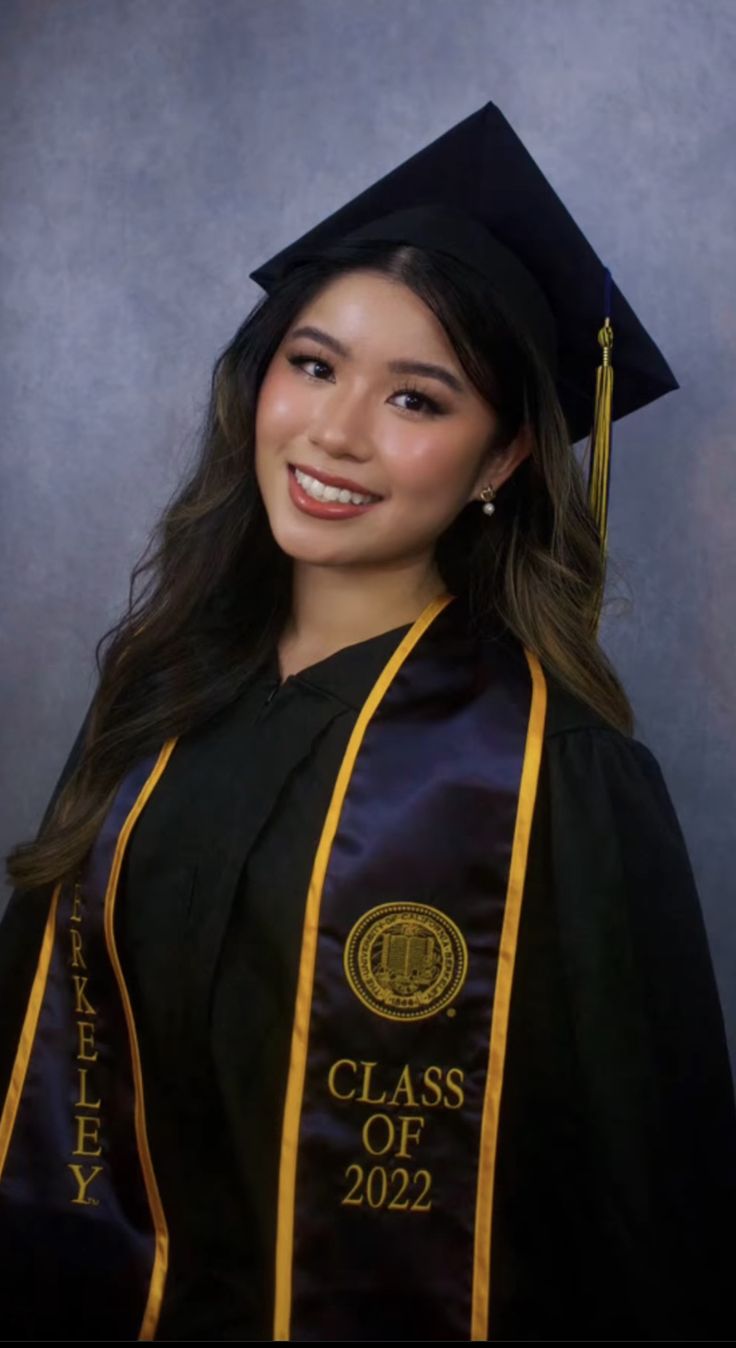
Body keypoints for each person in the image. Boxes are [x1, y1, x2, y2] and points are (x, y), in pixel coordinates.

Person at [1, 100, 735, 1342]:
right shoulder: (152, 702)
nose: (334, 432)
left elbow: (648, 1219)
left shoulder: (561, 783)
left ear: (501, 460)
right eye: (314, 363)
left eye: (417, 399)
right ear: (263, 373)